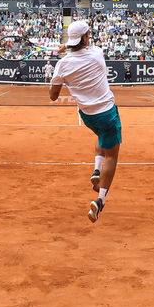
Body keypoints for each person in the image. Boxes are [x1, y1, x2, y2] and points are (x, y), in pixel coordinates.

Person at [48, 19, 121, 224]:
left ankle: (96, 171)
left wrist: (58, 69)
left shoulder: (62, 65)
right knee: (112, 156)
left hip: (87, 116)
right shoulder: (97, 53)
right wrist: (68, 48)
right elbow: (85, 48)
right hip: (107, 112)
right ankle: (101, 200)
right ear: (86, 37)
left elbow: (53, 96)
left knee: (101, 135)